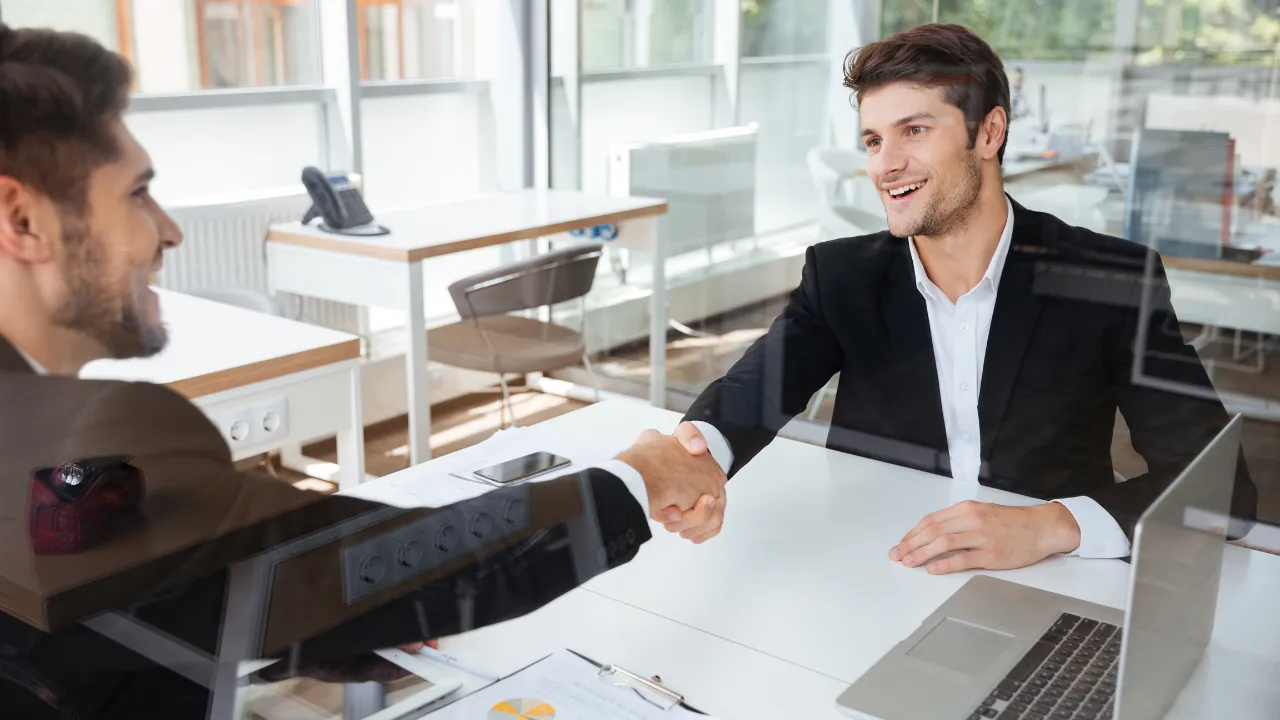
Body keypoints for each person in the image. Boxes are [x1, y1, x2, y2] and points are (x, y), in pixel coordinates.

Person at [0, 23, 725, 718]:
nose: (168, 231)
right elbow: (403, 563)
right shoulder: (91, 433)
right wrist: (641, 474)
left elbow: (84, 624)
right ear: (22, 219)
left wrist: (300, 626)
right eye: (136, 193)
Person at [660, 24, 1257, 572]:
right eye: (873, 140)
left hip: (1050, 575)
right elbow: (750, 396)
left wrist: (1054, 524)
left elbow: (1222, 489)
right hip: (880, 565)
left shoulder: (1112, 280)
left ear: (988, 133)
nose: (886, 165)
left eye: (914, 131)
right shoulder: (842, 275)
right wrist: (696, 460)